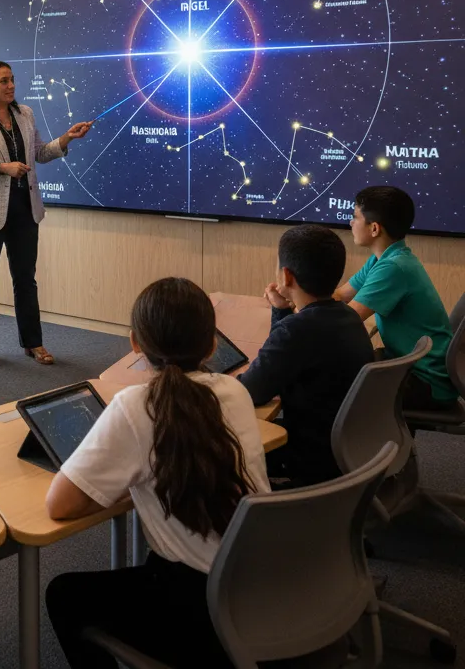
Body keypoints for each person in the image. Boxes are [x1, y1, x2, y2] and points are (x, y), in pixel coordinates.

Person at [44, 278, 269, 669]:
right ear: (213, 344)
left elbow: (59, 505)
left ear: (135, 344)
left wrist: (129, 483)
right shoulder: (235, 392)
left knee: (64, 595)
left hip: (203, 609)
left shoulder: (134, 405)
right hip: (261, 583)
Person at [0, 61, 92, 367]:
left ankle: (33, 343)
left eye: (13, 79)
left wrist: (67, 139)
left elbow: (39, 153)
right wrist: (3, 168)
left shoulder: (25, 114)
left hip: (24, 209)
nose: (11, 85)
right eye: (4, 81)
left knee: (26, 280)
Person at [239, 224, 374, 486]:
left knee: (214, 444)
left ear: (286, 276)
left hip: (308, 455)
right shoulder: (347, 316)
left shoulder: (298, 330)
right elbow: (281, 360)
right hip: (341, 445)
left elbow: (252, 391)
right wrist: (281, 311)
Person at [336, 186, 456, 410]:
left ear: (374, 228)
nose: (350, 223)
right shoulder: (384, 258)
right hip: (408, 366)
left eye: (355, 217)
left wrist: (299, 310)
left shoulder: (393, 267)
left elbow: (346, 321)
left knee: (330, 383)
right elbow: (340, 296)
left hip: (426, 381)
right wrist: (300, 296)